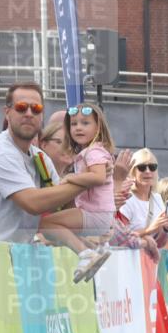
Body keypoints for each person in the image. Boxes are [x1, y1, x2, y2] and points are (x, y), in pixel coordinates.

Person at [0, 82, 84, 242]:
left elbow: (61, 205)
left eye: (36, 109)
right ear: (7, 113)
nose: (29, 113)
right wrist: (87, 181)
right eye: (21, 107)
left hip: (17, 256)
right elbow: (32, 203)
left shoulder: (40, 158)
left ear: (42, 116)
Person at [37, 103, 117, 283]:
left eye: (85, 123)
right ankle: (92, 251)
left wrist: (70, 178)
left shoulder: (93, 151)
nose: (78, 128)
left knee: (45, 223)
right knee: (54, 226)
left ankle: (85, 253)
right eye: (74, 124)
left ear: (98, 127)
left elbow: (98, 177)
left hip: (95, 213)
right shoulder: (89, 152)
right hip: (98, 215)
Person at [122, 148, 168, 245]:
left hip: (151, 258)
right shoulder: (126, 199)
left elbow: (160, 244)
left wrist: (166, 228)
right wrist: (150, 229)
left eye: (152, 167)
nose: (147, 171)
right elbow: (120, 239)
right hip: (131, 258)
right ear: (133, 171)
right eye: (142, 167)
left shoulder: (157, 198)